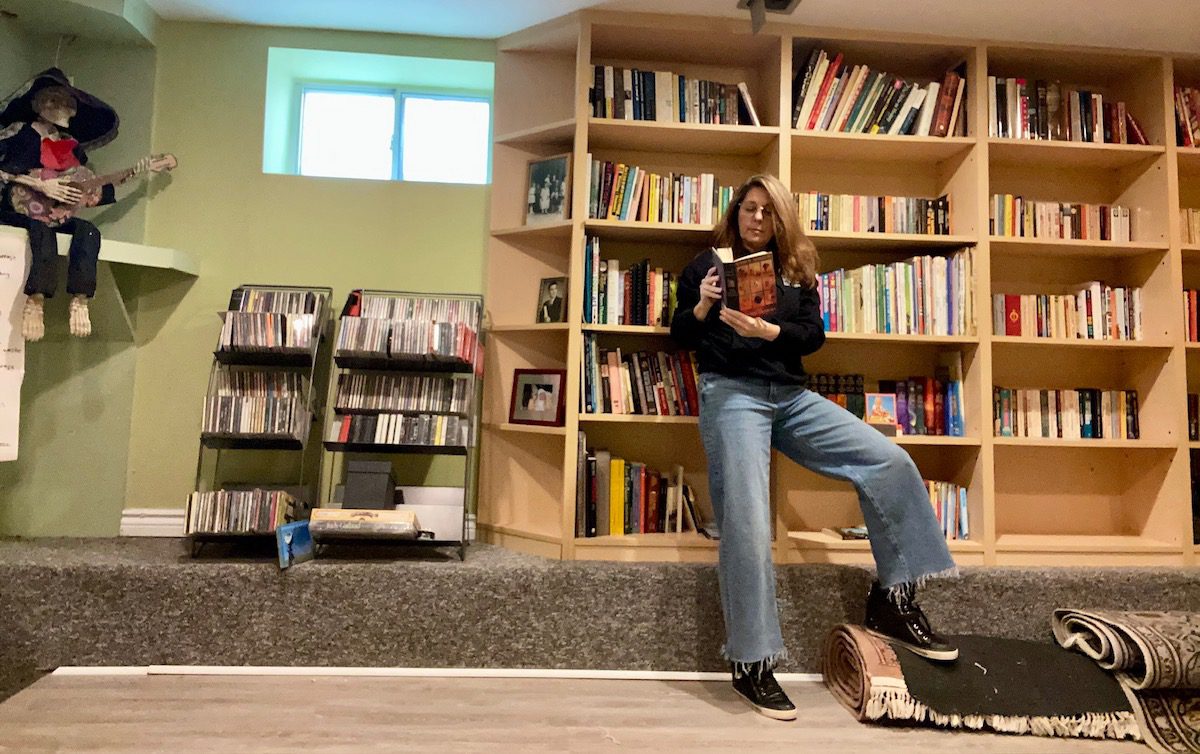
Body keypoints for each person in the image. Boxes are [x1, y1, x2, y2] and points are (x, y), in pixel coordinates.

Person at [669, 174, 958, 722]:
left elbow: (811, 335)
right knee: (749, 521)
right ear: (736, 213)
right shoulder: (705, 265)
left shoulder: (795, 269)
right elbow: (678, 335)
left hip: (791, 395)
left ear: (781, 220)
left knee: (891, 461)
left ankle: (894, 597)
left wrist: (767, 332)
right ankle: (752, 661)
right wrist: (705, 304)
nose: (756, 219)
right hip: (731, 393)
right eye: (748, 209)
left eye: (768, 212)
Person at [0, 68, 158, 341]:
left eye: (65, 103)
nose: (60, 108)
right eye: (52, 101)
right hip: (19, 210)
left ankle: (81, 298)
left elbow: (86, 188)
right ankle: (36, 300)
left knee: (88, 232)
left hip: (53, 213)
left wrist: (133, 173)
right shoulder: (19, 133)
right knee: (41, 233)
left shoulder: (70, 147)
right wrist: (38, 184)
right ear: (38, 104)